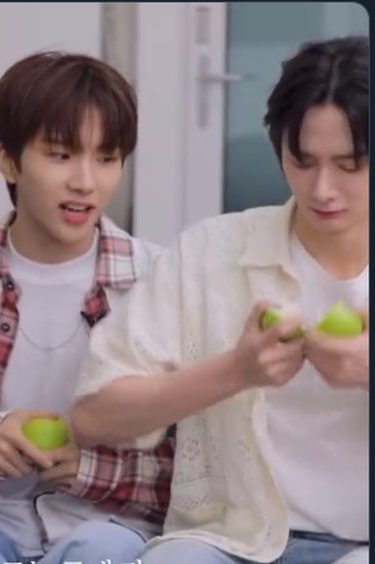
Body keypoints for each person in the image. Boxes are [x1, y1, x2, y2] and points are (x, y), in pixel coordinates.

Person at [71, 35, 369, 564]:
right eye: (303, 161)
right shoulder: (211, 253)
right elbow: (93, 416)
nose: (323, 189)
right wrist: (236, 371)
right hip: (232, 543)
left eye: (350, 166)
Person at [0, 51, 174, 564]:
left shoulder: (159, 280)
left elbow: (198, 469)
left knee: (104, 547)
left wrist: (95, 471)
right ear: (8, 160)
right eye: (61, 155)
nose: (86, 182)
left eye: (106, 158)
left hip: (103, 529)